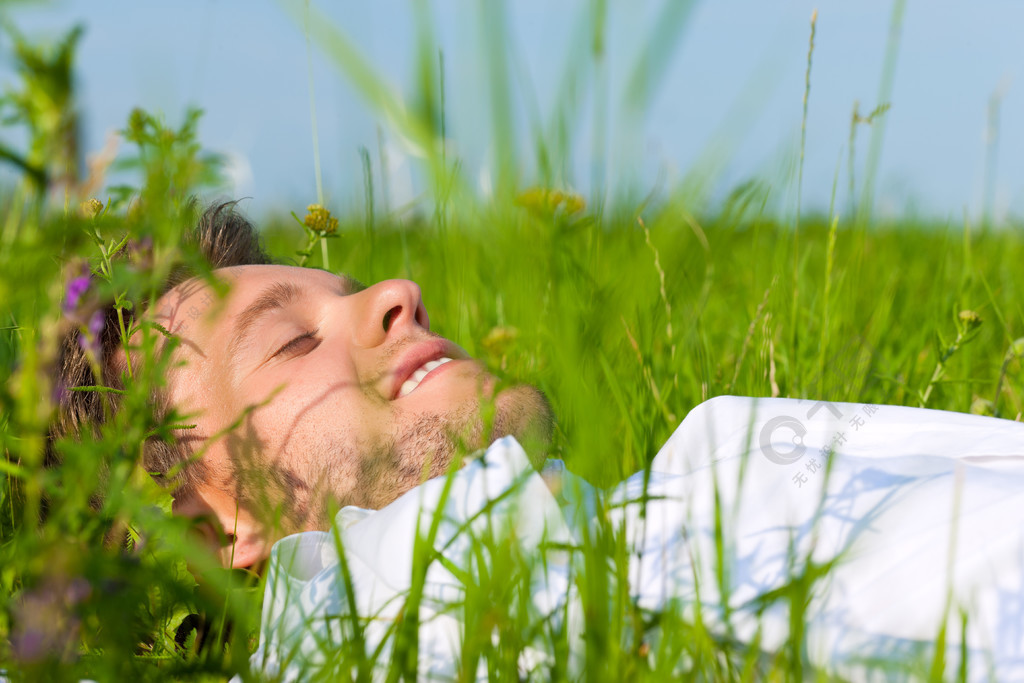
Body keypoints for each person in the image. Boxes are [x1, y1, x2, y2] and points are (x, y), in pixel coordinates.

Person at [52, 204, 1024, 681]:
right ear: (214, 528)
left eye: (346, 290)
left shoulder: (714, 454)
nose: (396, 292)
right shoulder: (397, 636)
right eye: (293, 338)